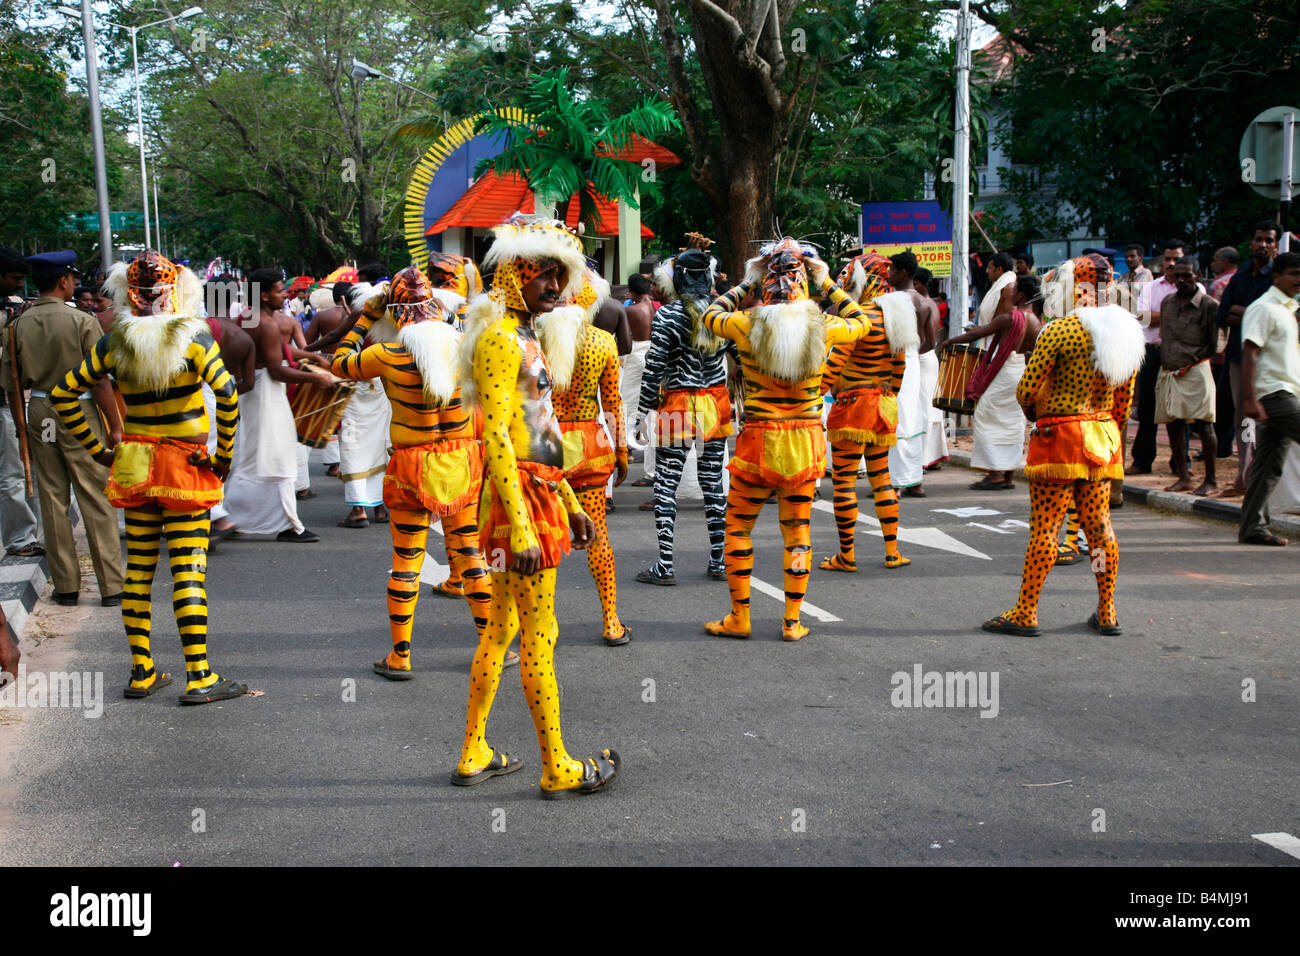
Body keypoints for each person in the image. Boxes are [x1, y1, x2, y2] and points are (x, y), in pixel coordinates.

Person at [452, 213, 616, 798]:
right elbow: (495, 433)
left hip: (535, 491)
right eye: (543, 275)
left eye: (559, 276)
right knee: (538, 635)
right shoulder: (501, 338)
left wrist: (569, 498)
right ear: (514, 274)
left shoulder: (524, 335)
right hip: (518, 499)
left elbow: (537, 431)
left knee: (498, 630)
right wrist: (521, 526)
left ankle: (474, 749)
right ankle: (557, 765)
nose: (556, 287)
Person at [48, 250, 245, 703]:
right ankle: (200, 677)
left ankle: (142, 671)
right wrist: (222, 460)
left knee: (138, 571)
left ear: (127, 294)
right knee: (188, 573)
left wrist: (99, 451)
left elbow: (63, 394)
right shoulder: (194, 338)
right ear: (177, 290)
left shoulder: (115, 342)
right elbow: (228, 399)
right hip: (185, 467)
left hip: (135, 465)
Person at [701, 238, 871, 642]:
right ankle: (792, 622)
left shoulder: (745, 323)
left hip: (758, 442)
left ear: (765, 284)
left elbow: (710, 314)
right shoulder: (824, 326)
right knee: (797, 531)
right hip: (804, 442)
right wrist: (827, 281)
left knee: (738, 528)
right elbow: (861, 321)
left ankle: (739, 618)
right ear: (805, 285)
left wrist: (747, 280)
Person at [329, 266, 494, 677]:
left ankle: (400, 656)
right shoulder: (464, 345)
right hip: (461, 461)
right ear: (435, 309)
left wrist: (365, 318)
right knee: (469, 553)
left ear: (396, 315)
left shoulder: (386, 355)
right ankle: (494, 649)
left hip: (411, 464)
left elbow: (338, 364)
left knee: (407, 561)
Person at [983, 254, 1145, 637]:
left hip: (1060, 438)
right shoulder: (1126, 333)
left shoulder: (1061, 330)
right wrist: (1106, 428)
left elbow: (1027, 389)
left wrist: (1035, 414)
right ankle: (1106, 610)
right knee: (1100, 528)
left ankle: (1026, 611)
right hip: (1102, 437)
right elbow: (1124, 403)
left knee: (1045, 527)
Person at [0, 250, 124, 607]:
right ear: (63, 281)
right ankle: (111, 586)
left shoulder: (17, 324)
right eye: (71, 277)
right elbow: (98, 379)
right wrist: (115, 424)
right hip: (79, 410)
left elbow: (11, 383)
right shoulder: (82, 321)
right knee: (94, 494)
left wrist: (23, 427)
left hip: (41, 411)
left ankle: (66, 586)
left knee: (51, 497)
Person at [633, 241, 735, 586]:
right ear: (708, 278)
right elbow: (741, 358)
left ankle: (665, 564)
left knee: (666, 484)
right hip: (715, 405)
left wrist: (640, 414)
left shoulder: (668, 314)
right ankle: (719, 561)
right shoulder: (722, 314)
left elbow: (654, 368)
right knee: (714, 486)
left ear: (677, 280)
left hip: (677, 405)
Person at [538, 269, 630, 645]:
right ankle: (611, 621)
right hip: (590, 450)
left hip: (544, 448)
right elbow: (613, 405)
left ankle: (543, 624)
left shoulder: (533, 339)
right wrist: (622, 449)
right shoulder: (602, 342)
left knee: (544, 536)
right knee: (598, 537)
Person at [818, 252, 919, 571]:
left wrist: (814, 393)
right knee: (881, 479)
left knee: (845, 483)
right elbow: (899, 369)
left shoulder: (859, 319)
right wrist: (886, 397)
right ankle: (892, 552)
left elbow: (834, 366)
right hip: (883, 406)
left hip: (852, 408)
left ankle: (847, 555)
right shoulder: (894, 318)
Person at [222, 268, 330, 541]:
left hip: (253, 390)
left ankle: (227, 516)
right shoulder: (267, 323)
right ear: (264, 294)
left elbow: (276, 349)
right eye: (280, 290)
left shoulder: (248, 316)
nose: (285, 295)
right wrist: (316, 379)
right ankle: (288, 525)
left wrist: (310, 357)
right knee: (277, 456)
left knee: (255, 456)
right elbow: (276, 369)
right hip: (266, 391)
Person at [947, 273, 1039, 491]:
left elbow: (977, 333)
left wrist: (950, 341)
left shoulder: (1010, 318)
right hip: (1020, 373)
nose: (1011, 294)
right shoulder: (1037, 320)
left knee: (986, 416)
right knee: (1012, 422)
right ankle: (1007, 474)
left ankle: (995, 474)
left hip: (1003, 372)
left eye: (1014, 291)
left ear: (1022, 294)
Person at [1237, 252, 1300, 546]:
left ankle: (1252, 527)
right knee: (1269, 463)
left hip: (1286, 390)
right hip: (1273, 393)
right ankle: (1254, 526)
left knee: (1268, 465)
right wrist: (1250, 399)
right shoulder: (1264, 308)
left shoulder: (1290, 309)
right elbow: (1250, 352)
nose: (1299, 279)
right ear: (1276, 277)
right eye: (1294, 273)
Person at [1217, 221, 1280, 496]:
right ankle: (1244, 475)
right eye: (1258, 239)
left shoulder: (1278, 277)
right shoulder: (1242, 274)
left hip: (1268, 359)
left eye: (1268, 240)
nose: (1263, 244)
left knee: (1267, 417)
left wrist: (1242, 312)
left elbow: (1269, 316)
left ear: (1276, 245)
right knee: (1243, 418)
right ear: (1251, 242)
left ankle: (1262, 479)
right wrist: (1250, 312)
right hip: (1237, 356)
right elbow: (1222, 314)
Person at [1133, 239, 1204, 473]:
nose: (1172, 264)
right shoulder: (1152, 287)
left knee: (1180, 409)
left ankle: (1181, 464)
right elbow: (1141, 318)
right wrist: (1173, 315)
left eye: (1177, 259)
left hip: (1182, 355)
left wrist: (1159, 316)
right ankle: (1142, 462)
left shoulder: (1198, 289)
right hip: (1154, 352)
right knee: (1147, 410)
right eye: (1168, 259)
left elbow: (1196, 322)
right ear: (1162, 262)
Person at [1155, 258, 1220, 495]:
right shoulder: (1167, 302)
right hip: (1169, 371)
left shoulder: (1209, 305)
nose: (1182, 280)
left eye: (1187, 276)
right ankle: (1184, 476)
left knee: (1204, 426)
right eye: (1178, 276)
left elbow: (1217, 343)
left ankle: (1211, 480)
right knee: (1173, 425)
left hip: (1196, 370)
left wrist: (1192, 361)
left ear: (1198, 276)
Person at [333, 280, 394, 528]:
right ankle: (379, 508)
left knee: (352, 444)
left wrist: (310, 351)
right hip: (380, 384)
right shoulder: (394, 316)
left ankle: (358, 509)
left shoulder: (362, 314)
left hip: (354, 382)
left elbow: (337, 337)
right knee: (378, 444)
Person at [883, 254, 942, 497]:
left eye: (893, 270)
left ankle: (895, 482)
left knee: (895, 417)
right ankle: (914, 480)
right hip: (913, 360)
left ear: (903, 273)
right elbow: (931, 342)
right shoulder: (924, 303)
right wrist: (912, 354)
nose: (889, 275)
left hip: (893, 361)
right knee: (914, 415)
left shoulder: (887, 301)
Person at [0, 247, 42, 558]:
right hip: (4, 403)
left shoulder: (10, 308)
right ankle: (19, 538)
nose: (18, 285)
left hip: (16, 401)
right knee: (12, 472)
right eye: (15, 278)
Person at [914, 267, 949, 472]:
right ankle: (932, 455)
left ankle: (924, 456)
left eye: (916, 284)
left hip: (923, 356)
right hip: (928, 357)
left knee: (923, 408)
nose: (914, 287)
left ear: (924, 285)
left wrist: (913, 355)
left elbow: (930, 340)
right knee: (929, 406)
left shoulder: (924, 305)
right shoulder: (933, 304)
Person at [1207, 246, 1240, 457]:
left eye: (1215, 260)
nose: (1212, 264)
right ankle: (1226, 444)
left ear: (1225, 262)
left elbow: (1213, 320)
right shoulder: (1241, 280)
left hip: (1220, 353)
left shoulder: (1219, 284)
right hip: (1236, 351)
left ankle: (1219, 446)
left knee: (1221, 402)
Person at [622, 272, 656, 461]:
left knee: (628, 400)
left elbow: (623, 336)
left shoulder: (631, 310)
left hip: (636, 352)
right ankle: (642, 440)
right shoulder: (653, 307)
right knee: (647, 401)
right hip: (651, 352)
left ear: (632, 291)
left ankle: (626, 448)